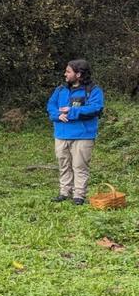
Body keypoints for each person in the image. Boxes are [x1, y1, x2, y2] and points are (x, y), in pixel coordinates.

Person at [46, 59, 104, 205]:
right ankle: (64, 192)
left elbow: (95, 108)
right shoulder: (60, 90)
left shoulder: (93, 90)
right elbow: (51, 105)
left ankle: (79, 195)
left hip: (83, 136)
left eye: (68, 71)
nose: (65, 74)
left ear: (78, 74)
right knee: (64, 164)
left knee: (79, 166)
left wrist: (71, 111)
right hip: (61, 134)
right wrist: (57, 115)